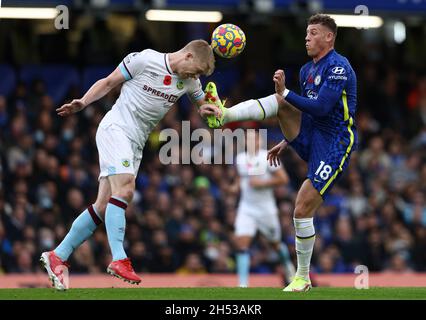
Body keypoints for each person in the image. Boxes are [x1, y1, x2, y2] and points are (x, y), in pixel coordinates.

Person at [40, 39, 218, 290]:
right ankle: (119, 259)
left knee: (102, 206)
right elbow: (109, 82)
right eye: (196, 70)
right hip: (116, 129)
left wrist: (210, 109)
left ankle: (58, 255)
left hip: (136, 143)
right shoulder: (145, 59)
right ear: (188, 56)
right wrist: (83, 102)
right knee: (126, 189)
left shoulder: (190, 81)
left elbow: (201, 105)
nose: (195, 76)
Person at [201, 14, 357, 292]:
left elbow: (321, 108)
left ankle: (302, 277)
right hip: (311, 134)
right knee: (280, 102)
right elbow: (307, 113)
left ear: (329, 37)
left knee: (301, 208)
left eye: (313, 33)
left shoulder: (338, 68)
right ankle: (225, 115)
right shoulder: (307, 70)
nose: (307, 37)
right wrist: (287, 140)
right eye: (306, 33)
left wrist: (286, 91)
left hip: (335, 143)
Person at [230, 130, 295, 287]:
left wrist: (262, 184)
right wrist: (234, 187)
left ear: (260, 141)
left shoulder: (268, 156)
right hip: (246, 208)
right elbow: (240, 178)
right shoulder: (240, 158)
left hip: (266, 210)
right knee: (241, 243)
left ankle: (288, 268)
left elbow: (283, 179)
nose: (251, 141)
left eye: (254, 138)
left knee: (275, 244)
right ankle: (243, 285)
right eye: (248, 139)